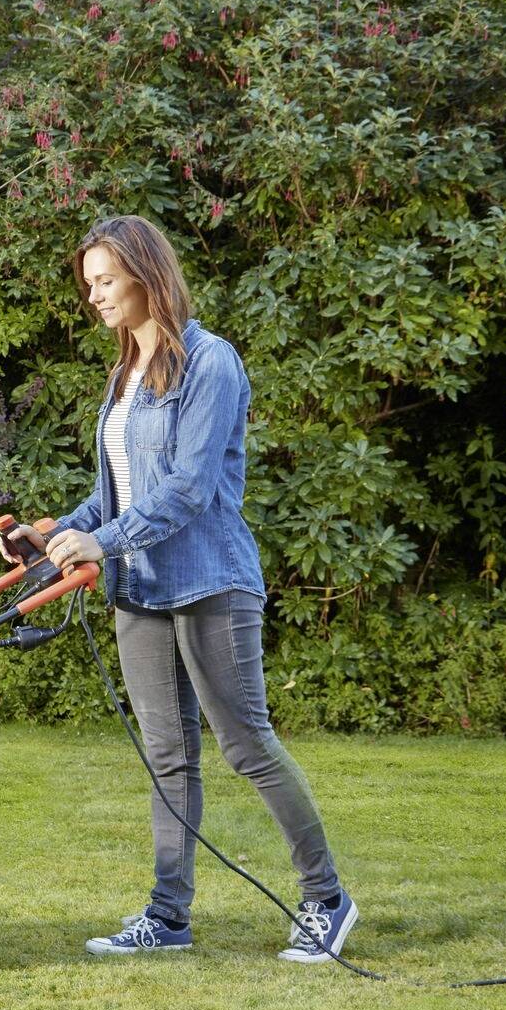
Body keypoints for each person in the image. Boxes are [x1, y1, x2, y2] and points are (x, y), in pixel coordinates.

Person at [44, 214, 358, 962]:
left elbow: (187, 488)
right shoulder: (124, 373)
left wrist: (103, 542)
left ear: (146, 275)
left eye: (106, 281)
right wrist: (53, 532)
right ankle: (168, 916)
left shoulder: (211, 363)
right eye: (90, 284)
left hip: (210, 581)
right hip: (141, 588)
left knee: (245, 745)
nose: (95, 296)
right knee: (167, 758)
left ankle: (326, 899)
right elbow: (115, 493)